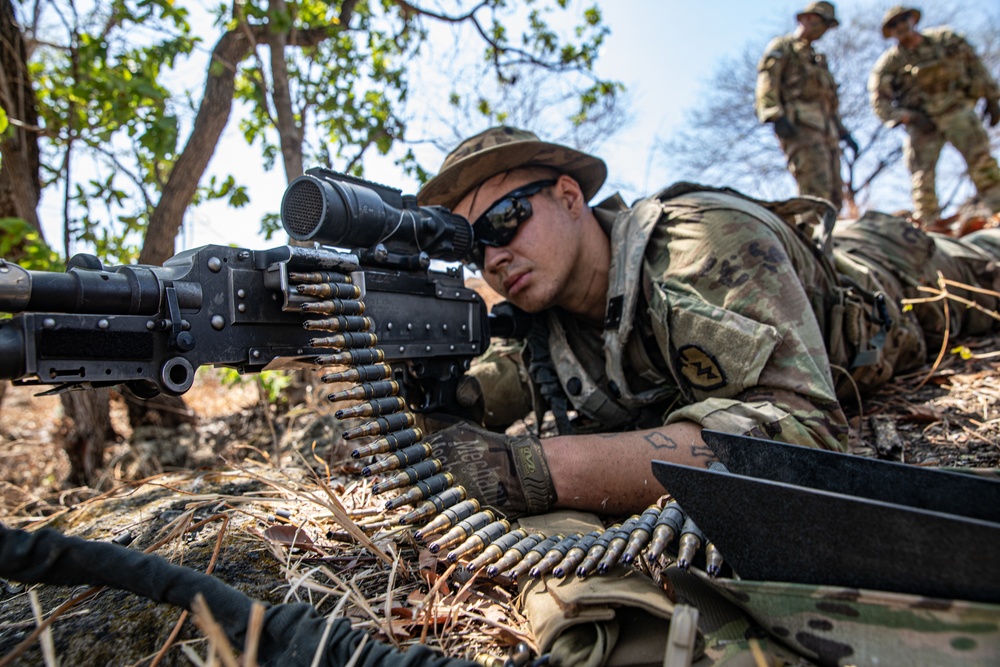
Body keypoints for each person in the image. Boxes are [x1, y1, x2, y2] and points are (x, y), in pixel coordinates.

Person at [414, 125, 1000, 522]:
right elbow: (495, 383)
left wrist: (546, 469)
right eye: (472, 249)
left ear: (570, 196)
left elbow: (805, 430)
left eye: (504, 220)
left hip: (892, 268)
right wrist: (415, 392)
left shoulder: (699, 244)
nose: (492, 258)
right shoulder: (553, 323)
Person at [869, 5, 1000, 229]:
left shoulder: (946, 39)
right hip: (922, 122)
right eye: (893, 25)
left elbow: (975, 66)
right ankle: (929, 224)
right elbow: (879, 101)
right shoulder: (889, 64)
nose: (900, 26)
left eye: (903, 20)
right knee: (922, 175)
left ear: (913, 19)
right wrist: (906, 117)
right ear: (889, 32)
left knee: (981, 160)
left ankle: (997, 208)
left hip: (956, 109)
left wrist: (992, 97)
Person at [755, 1, 857, 211]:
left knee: (835, 194)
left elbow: (828, 102)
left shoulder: (818, 59)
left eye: (827, 26)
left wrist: (843, 132)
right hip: (801, 126)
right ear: (805, 19)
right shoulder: (783, 47)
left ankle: (831, 239)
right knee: (815, 193)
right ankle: (811, 239)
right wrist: (774, 115)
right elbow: (768, 80)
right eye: (822, 22)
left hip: (827, 131)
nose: (823, 30)